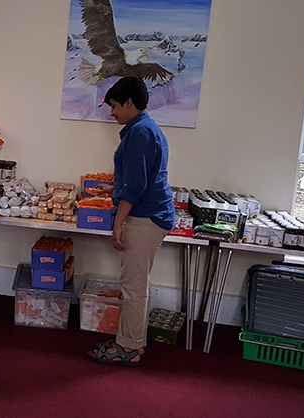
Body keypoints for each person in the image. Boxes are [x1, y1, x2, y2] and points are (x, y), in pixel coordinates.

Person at [88, 76, 175, 367]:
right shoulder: (143, 128)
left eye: (114, 106)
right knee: (135, 284)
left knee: (134, 287)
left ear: (128, 103)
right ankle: (131, 343)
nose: (111, 112)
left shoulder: (140, 133)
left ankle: (128, 348)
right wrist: (113, 189)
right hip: (150, 212)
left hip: (145, 217)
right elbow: (140, 177)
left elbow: (137, 186)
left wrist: (117, 223)